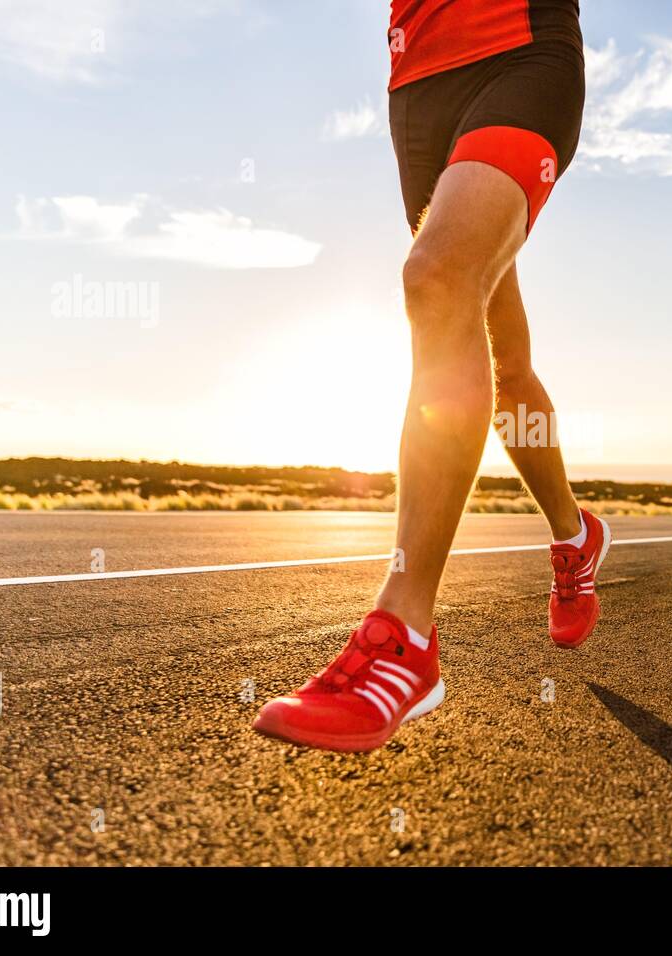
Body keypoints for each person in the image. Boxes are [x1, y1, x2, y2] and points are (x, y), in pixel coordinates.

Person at [253, 0, 609, 753]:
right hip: (418, 84)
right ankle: (575, 538)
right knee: (506, 360)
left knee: (436, 274)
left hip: (523, 51)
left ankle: (406, 635)